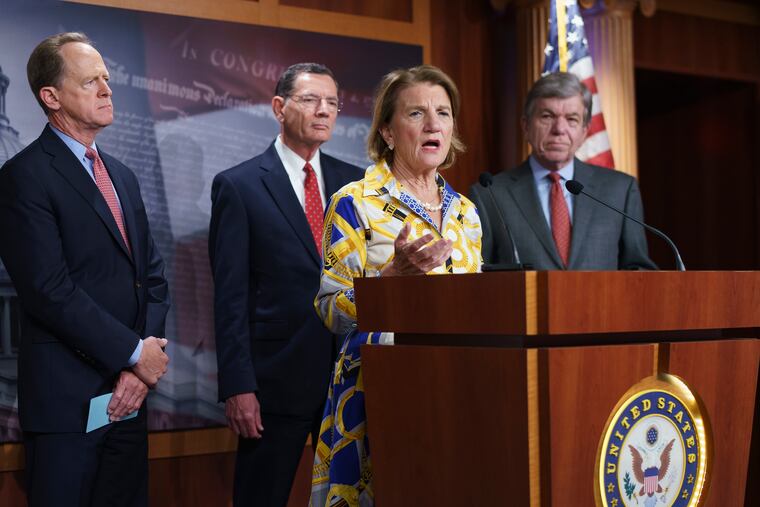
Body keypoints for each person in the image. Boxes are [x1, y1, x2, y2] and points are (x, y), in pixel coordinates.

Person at [0, 32, 170, 506]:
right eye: (90, 80)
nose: (107, 90)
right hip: (66, 408)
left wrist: (140, 372)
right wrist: (134, 353)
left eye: (107, 80)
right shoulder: (23, 177)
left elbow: (152, 278)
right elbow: (48, 290)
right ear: (50, 97)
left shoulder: (122, 174)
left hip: (131, 401)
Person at [310, 65, 482, 507]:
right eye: (416, 114)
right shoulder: (354, 202)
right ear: (387, 130)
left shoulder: (466, 213)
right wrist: (389, 281)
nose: (433, 125)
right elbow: (329, 309)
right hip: (379, 390)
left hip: (460, 387)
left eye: (443, 113)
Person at [209, 62, 362, 506]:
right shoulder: (239, 186)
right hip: (276, 381)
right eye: (312, 100)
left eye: (333, 103)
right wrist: (238, 386)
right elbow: (230, 297)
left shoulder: (356, 183)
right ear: (279, 107)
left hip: (349, 377)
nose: (324, 111)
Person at [470, 72, 656, 270]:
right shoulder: (489, 194)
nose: (559, 129)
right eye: (547, 116)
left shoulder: (620, 190)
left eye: (572, 119)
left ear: (584, 131)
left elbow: (639, 272)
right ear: (525, 126)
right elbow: (480, 276)